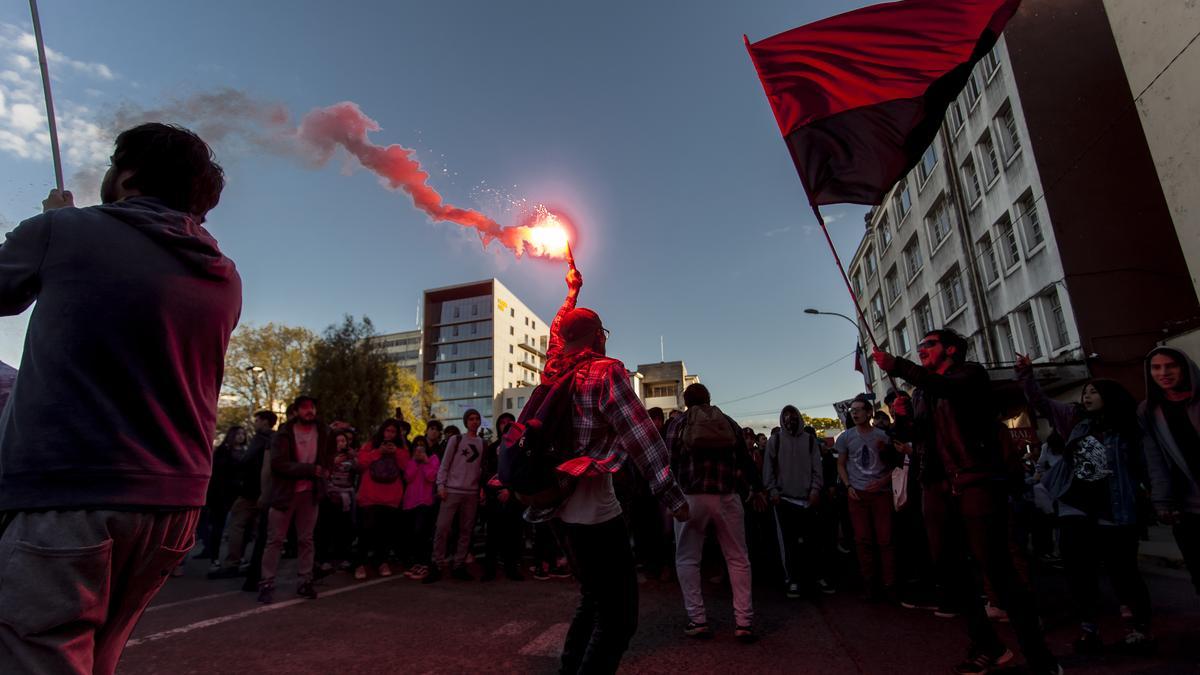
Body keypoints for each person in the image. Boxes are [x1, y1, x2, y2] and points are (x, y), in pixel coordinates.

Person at [0, 123, 240, 674]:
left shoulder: (65, 230)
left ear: (127, 176)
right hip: (172, 501)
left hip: (71, 491)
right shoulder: (225, 275)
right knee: (99, 656)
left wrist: (47, 222)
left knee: (37, 656)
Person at [875, 330, 1060, 675]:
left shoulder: (969, 375)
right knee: (949, 571)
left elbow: (951, 390)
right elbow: (914, 437)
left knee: (998, 569)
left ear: (950, 349)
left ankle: (1040, 657)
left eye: (928, 344)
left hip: (974, 481)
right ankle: (988, 645)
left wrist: (899, 366)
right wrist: (902, 417)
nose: (921, 350)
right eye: (920, 347)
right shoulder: (922, 392)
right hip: (937, 487)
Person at [535, 262, 689, 675]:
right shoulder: (605, 372)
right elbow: (642, 437)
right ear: (600, 337)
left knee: (592, 599)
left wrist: (571, 292)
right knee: (620, 618)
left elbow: (557, 330)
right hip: (595, 511)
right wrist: (673, 497)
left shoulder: (553, 368)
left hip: (557, 506)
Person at [1017, 354, 1153, 653]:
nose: (1087, 396)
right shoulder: (1075, 422)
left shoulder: (1130, 428)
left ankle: (1137, 628)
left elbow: (1145, 467)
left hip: (1116, 510)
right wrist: (1026, 376)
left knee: (1123, 572)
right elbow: (1043, 404)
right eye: (1085, 393)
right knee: (1079, 571)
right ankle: (1089, 630)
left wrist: (1157, 497)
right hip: (1075, 507)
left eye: (1094, 392)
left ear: (1110, 396)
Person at [665, 383, 766, 642]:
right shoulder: (728, 422)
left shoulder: (677, 424)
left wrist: (671, 499)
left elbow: (671, 463)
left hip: (690, 497)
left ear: (686, 402)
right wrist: (755, 488)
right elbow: (744, 459)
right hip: (726, 496)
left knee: (688, 558)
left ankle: (697, 620)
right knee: (738, 558)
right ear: (709, 399)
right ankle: (744, 622)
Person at [258, 395, 334, 603]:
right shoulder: (284, 433)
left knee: (306, 539)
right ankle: (266, 582)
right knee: (275, 540)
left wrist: (325, 470)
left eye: (312, 408)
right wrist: (312, 470)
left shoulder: (324, 432)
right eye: (305, 408)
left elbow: (328, 457)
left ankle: (304, 581)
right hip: (285, 493)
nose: (309, 411)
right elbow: (278, 464)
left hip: (310, 494)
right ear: (297, 410)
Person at [1140, 346, 1200, 595]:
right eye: (1156, 367)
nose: (1163, 372)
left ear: (1184, 367)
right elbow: (1155, 460)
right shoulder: (1149, 411)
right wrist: (1162, 502)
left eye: (1170, 366)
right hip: (1188, 507)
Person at [836, 396, 897, 602]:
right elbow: (841, 464)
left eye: (859, 409)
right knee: (862, 540)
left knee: (885, 539)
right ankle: (870, 583)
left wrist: (882, 482)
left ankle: (890, 583)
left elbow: (895, 466)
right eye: (852, 410)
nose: (855, 413)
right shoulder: (845, 438)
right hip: (857, 494)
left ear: (869, 413)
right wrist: (848, 486)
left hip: (881, 493)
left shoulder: (884, 436)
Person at [763, 405, 827, 598]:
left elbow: (817, 468)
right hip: (784, 500)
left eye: (793, 415)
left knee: (811, 542)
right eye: (786, 415)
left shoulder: (809, 441)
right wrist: (772, 490)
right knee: (788, 544)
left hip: (808, 500)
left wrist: (815, 489)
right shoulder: (775, 441)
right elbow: (768, 470)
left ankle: (812, 578)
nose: (790, 419)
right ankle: (792, 579)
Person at [211, 411, 278, 579]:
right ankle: (251, 562)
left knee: (236, 525)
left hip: (250, 490)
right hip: (267, 490)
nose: (255, 423)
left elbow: (246, 461)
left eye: (257, 420)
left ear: (264, 421)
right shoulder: (276, 439)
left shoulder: (259, 439)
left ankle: (233, 562)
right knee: (258, 529)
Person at [426, 410, 486, 583]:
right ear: (466, 421)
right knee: (442, 528)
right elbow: (445, 464)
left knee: (466, 531)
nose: (474, 422)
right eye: (471, 419)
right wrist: (441, 485)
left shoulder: (483, 443)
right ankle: (436, 564)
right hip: (452, 490)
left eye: (477, 419)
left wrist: (480, 489)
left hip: (471, 493)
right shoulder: (456, 439)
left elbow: (481, 469)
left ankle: (459, 564)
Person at [353, 418, 409, 580]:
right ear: (382, 431)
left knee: (386, 533)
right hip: (370, 496)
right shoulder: (371, 444)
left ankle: (381, 561)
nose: (390, 434)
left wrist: (395, 452)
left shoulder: (401, 448)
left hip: (391, 497)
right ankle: (360, 563)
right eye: (387, 431)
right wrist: (379, 452)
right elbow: (361, 463)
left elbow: (407, 467)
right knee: (366, 531)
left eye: (393, 432)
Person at [481, 412, 525, 581]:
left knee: (513, 534)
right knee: (492, 534)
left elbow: (522, 473)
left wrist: (511, 491)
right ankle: (489, 570)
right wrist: (484, 489)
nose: (505, 425)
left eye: (509, 422)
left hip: (513, 497)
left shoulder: (521, 448)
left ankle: (512, 569)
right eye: (502, 422)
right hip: (494, 496)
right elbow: (486, 471)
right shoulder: (492, 448)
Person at [203, 426, 247, 570]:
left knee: (238, 528)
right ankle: (214, 559)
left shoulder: (246, 452)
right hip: (221, 495)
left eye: (243, 434)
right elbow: (217, 474)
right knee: (218, 528)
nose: (241, 436)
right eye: (238, 433)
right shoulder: (222, 452)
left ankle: (237, 557)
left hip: (239, 494)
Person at [318, 430, 357, 573]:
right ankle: (324, 558)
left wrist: (354, 458)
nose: (341, 444)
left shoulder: (350, 456)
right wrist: (332, 463)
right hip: (330, 495)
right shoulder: (327, 456)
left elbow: (358, 470)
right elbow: (322, 473)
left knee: (345, 527)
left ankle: (343, 557)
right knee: (327, 528)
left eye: (344, 441)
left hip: (347, 494)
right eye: (338, 441)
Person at [402, 435, 440, 580]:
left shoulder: (433, 459)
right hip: (410, 502)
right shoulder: (410, 461)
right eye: (416, 446)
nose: (419, 449)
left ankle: (425, 563)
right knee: (412, 534)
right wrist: (415, 462)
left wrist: (425, 462)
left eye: (422, 446)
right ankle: (417, 562)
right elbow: (408, 477)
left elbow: (431, 477)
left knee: (422, 532)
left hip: (425, 502)